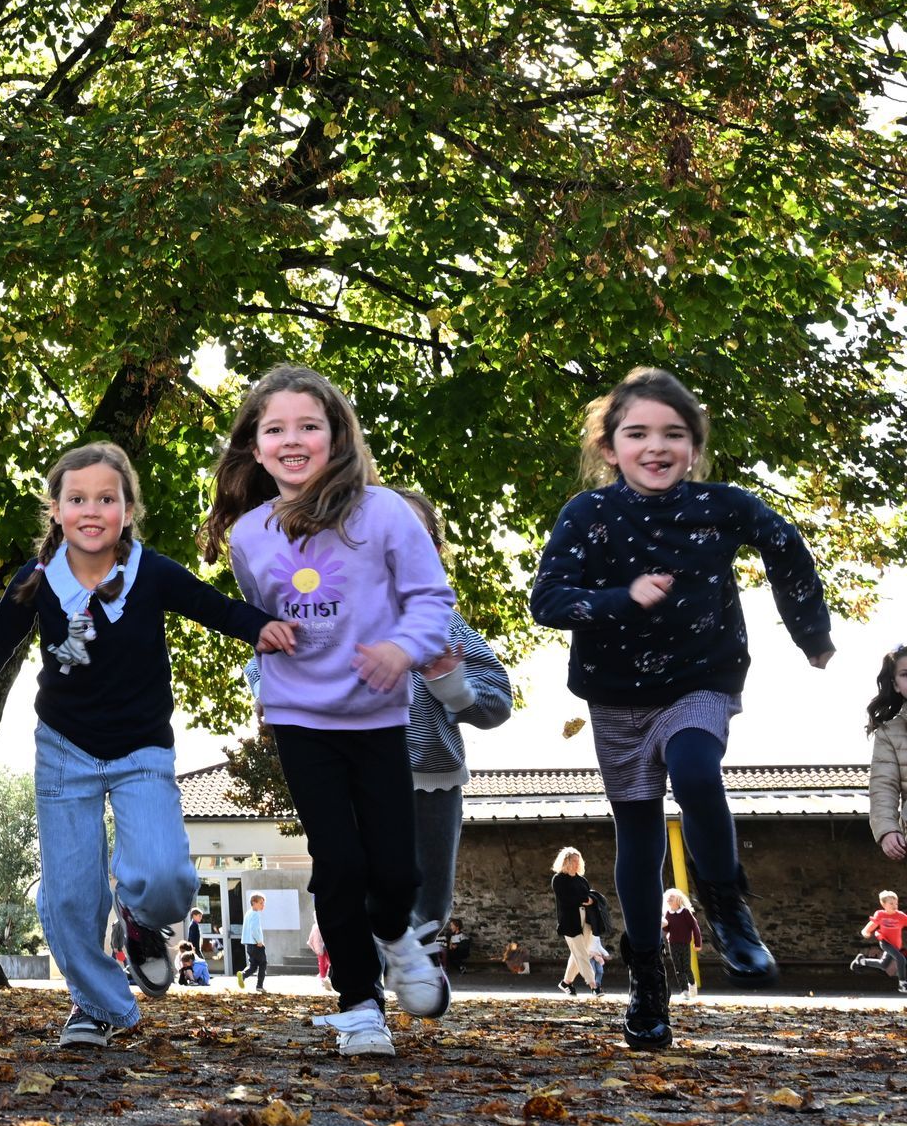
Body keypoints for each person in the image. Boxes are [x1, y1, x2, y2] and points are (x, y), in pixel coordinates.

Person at [0, 441, 282, 1049]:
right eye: (77, 498)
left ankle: (142, 923)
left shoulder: (152, 572)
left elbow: (212, 606)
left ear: (127, 509)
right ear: (58, 511)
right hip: (65, 751)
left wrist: (262, 628)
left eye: (106, 499)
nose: (92, 510)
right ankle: (95, 1006)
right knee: (69, 898)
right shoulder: (37, 582)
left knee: (167, 874)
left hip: (142, 750)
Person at [531, 367, 834, 1050]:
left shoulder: (723, 505)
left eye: (674, 433)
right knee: (639, 840)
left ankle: (728, 911)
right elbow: (548, 600)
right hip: (616, 697)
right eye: (637, 433)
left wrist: (812, 633)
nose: (656, 446)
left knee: (697, 772)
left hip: (703, 678)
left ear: (694, 445)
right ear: (611, 448)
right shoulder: (589, 515)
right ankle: (646, 979)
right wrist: (622, 597)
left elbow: (786, 548)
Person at [204, 366, 456, 1058]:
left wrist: (403, 651)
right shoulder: (249, 535)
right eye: (275, 429)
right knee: (337, 861)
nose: (292, 440)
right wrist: (265, 637)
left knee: (396, 873)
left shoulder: (383, 514)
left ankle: (398, 935)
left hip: (376, 714)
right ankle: (359, 1004)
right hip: (299, 717)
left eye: (307, 426)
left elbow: (433, 599)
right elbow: (263, 612)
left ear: (336, 436)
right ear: (255, 448)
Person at [387, 489, 512, 950]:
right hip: (356, 772)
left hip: (431, 777)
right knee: (354, 881)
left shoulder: (447, 626)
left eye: (412, 539)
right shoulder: (333, 616)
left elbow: (498, 701)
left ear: (435, 555)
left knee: (430, 903)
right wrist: (269, 692)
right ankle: (362, 985)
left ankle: (417, 954)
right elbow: (265, 654)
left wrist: (453, 685)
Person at [868, 645, 907, 861]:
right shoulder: (888, 733)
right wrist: (887, 829)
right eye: (905, 675)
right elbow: (883, 785)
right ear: (896, 685)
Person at [550, 847, 599, 997]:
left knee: (577, 954)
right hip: (569, 922)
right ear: (566, 862)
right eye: (574, 861)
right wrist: (585, 900)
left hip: (586, 920)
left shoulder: (581, 880)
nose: (577, 864)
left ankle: (566, 982)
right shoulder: (558, 879)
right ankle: (594, 985)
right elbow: (566, 899)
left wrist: (590, 900)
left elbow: (589, 897)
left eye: (578, 861)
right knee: (582, 953)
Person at [661, 888, 701, 999]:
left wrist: (698, 943)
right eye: (668, 897)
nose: (669, 899)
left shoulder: (685, 912)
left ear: (678, 899)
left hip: (684, 943)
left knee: (686, 967)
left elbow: (695, 927)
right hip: (673, 943)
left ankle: (692, 985)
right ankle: (684, 991)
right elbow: (667, 929)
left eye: (672, 897)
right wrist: (663, 925)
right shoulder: (668, 913)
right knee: (678, 968)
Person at [238, 892, 271, 992]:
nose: (263, 905)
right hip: (256, 944)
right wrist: (259, 941)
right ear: (254, 902)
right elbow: (254, 929)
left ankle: (243, 975)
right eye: (261, 903)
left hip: (249, 945)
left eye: (263, 903)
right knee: (263, 964)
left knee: (253, 965)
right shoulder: (255, 914)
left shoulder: (248, 913)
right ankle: (259, 986)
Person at [307, 921, 332, 992]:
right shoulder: (316, 926)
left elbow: (310, 939)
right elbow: (311, 939)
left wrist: (313, 946)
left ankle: (324, 978)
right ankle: (324, 978)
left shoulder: (315, 926)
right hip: (321, 946)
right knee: (323, 963)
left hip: (322, 946)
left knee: (325, 963)